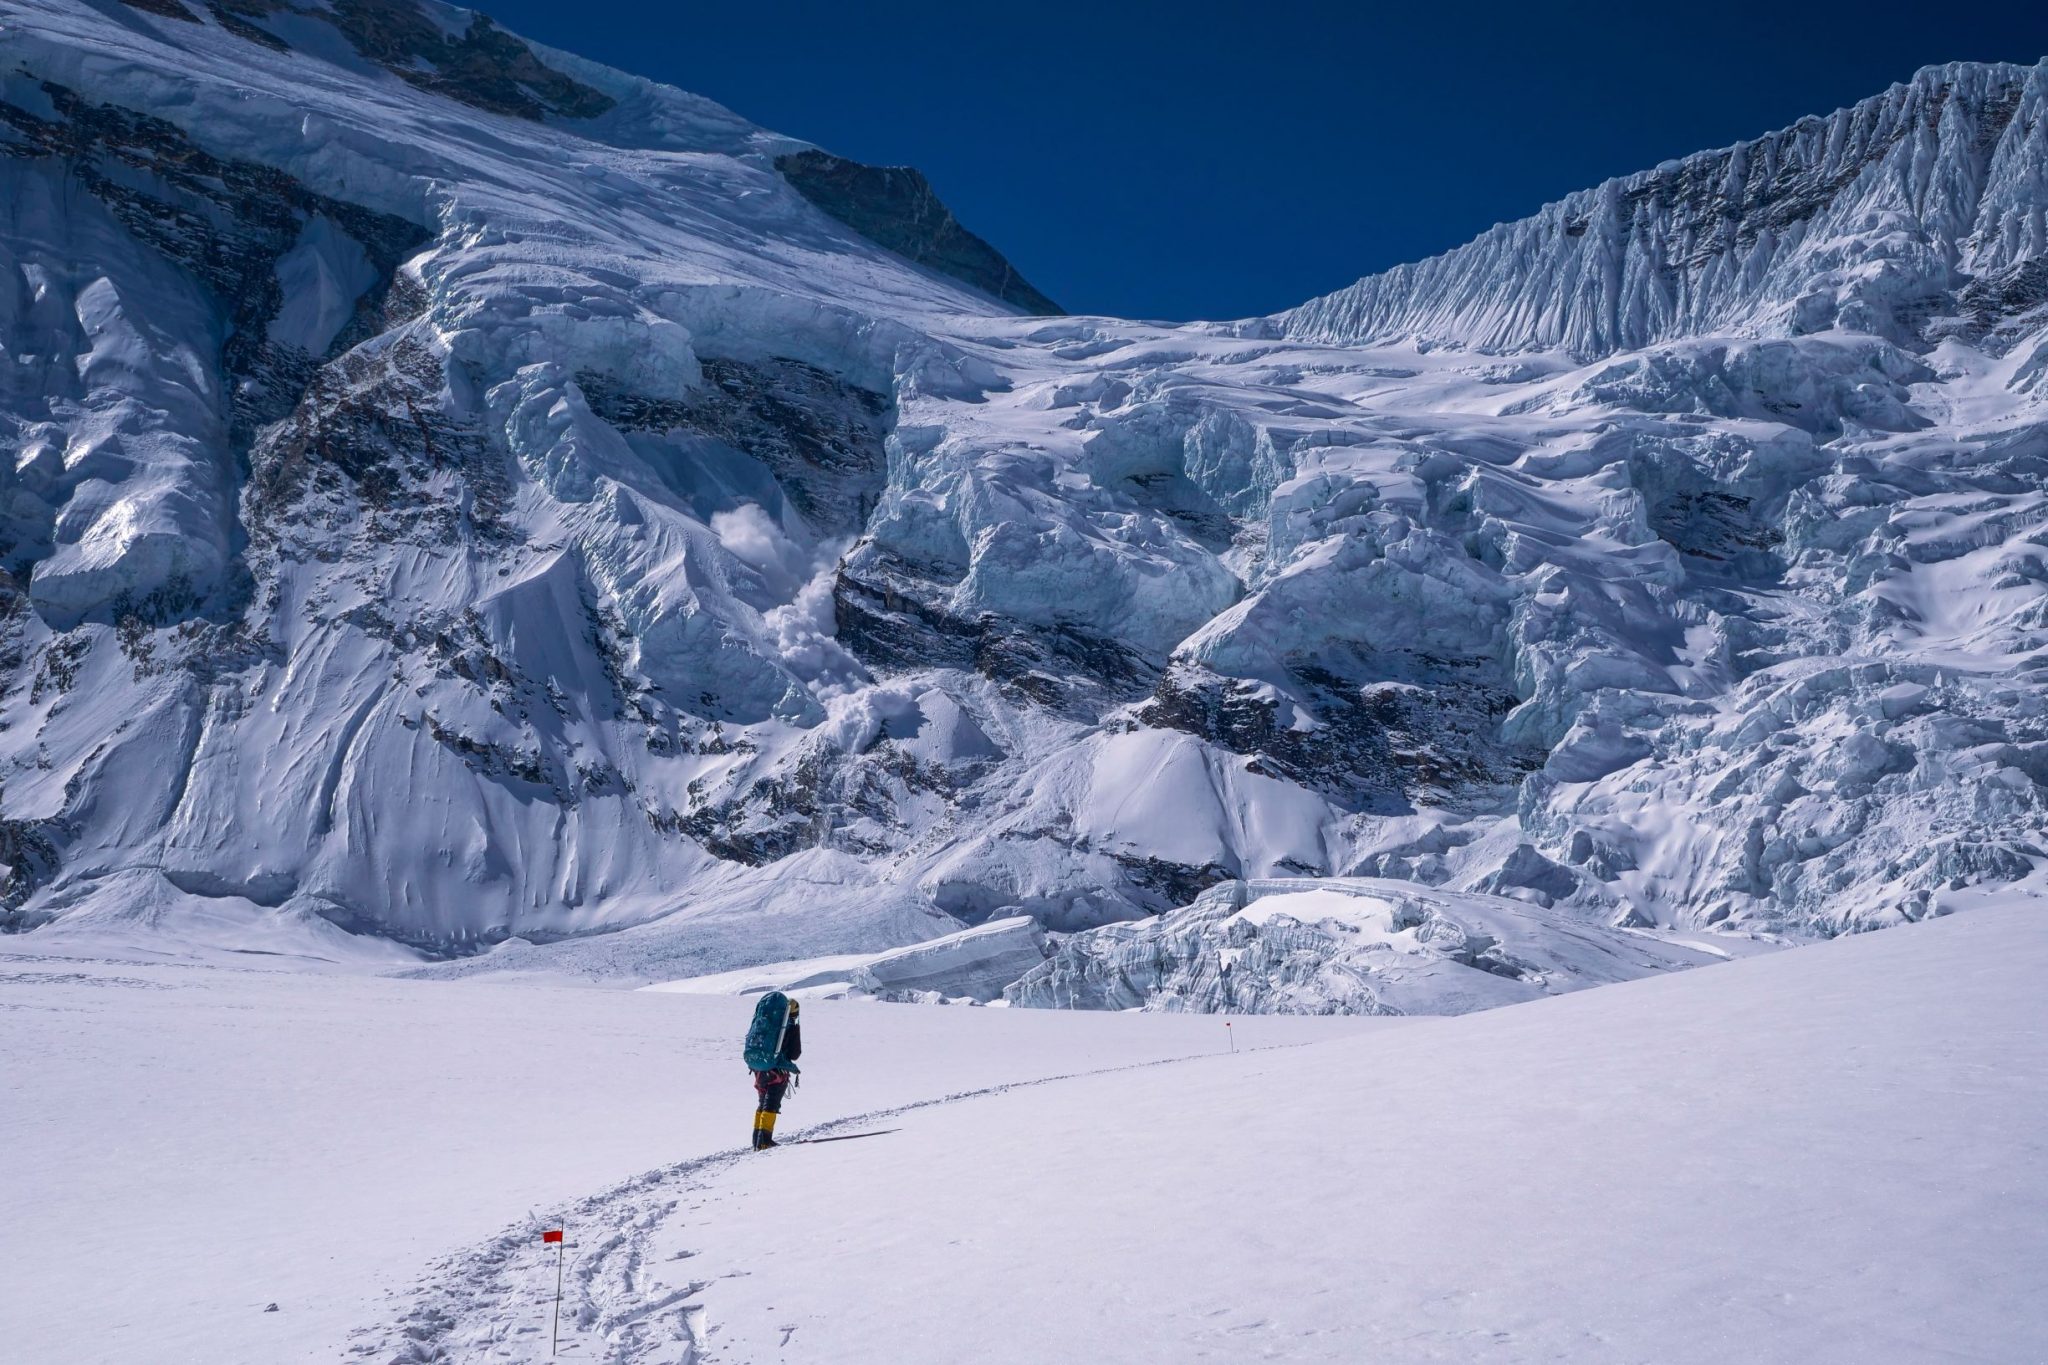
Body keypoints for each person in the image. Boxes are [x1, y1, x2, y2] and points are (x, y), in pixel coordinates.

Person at [743, 991, 802, 1150]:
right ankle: (764, 1141)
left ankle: (757, 1139)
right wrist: (795, 1025)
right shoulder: (786, 1027)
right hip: (777, 1070)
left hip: (759, 1069)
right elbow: (794, 1053)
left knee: (762, 1103)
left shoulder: (765, 1023)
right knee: (771, 1104)